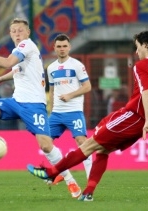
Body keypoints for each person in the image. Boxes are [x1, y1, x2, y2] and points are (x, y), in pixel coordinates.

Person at [27, 30, 148, 201]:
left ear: (146, 46)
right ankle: (88, 193)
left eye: (138, 47)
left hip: (133, 117)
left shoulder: (142, 66)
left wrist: (146, 120)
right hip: (139, 119)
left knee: (89, 145)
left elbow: (146, 92)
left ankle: (51, 172)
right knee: (103, 149)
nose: (136, 51)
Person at [0, 18, 81, 198]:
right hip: (16, 101)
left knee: (46, 146)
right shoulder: (23, 51)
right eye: (13, 31)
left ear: (27, 33)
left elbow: (8, 63)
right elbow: (16, 70)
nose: (17, 33)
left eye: (20, 30)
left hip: (34, 105)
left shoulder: (26, 45)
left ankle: (70, 181)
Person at [47, 34, 92, 185]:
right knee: (45, 143)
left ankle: (91, 178)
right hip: (56, 113)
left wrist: (70, 95)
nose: (62, 49)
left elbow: (87, 87)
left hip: (74, 111)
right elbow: (52, 91)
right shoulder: (51, 68)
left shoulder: (77, 65)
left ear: (69, 47)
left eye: (64, 46)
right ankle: (61, 174)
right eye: (59, 46)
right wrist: (51, 110)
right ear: (54, 48)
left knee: (82, 142)